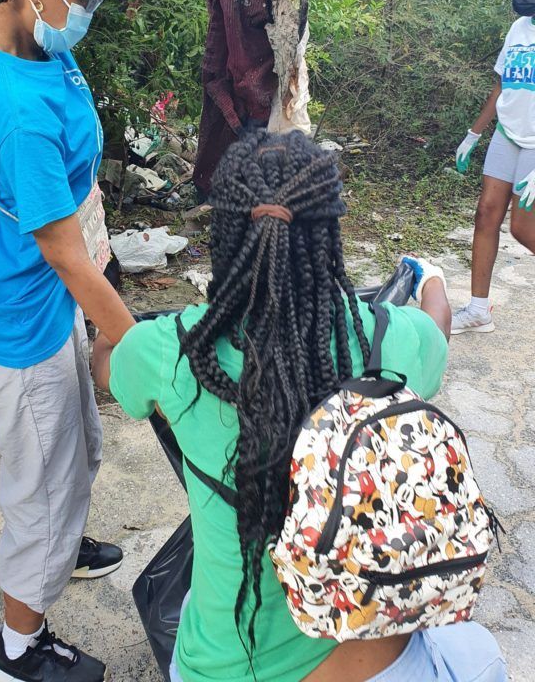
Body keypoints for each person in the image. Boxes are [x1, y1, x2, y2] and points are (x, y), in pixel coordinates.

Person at [0, 0, 247, 682]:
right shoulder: (20, 117)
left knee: (73, 441)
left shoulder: (3, 5)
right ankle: (17, 648)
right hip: (19, 314)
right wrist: (156, 354)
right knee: (41, 479)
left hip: (30, 295)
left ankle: (61, 539)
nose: (93, 6)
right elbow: (71, 262)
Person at [93, 130, 507, 682]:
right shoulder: (384, 338)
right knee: (477, 652)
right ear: (328, 235)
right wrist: (430, 278)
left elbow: (108, 364)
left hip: (222, 665)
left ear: (226, 236)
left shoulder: (170, 350)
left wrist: (101, 288)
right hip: (366, 653)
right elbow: (439, 324)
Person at [452, 0, 535, 335]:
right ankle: (478, 308)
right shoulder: (518, 30)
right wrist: (474, 133)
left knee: (523, 229)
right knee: (486, 214)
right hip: (507, 135)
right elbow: (502, 85)